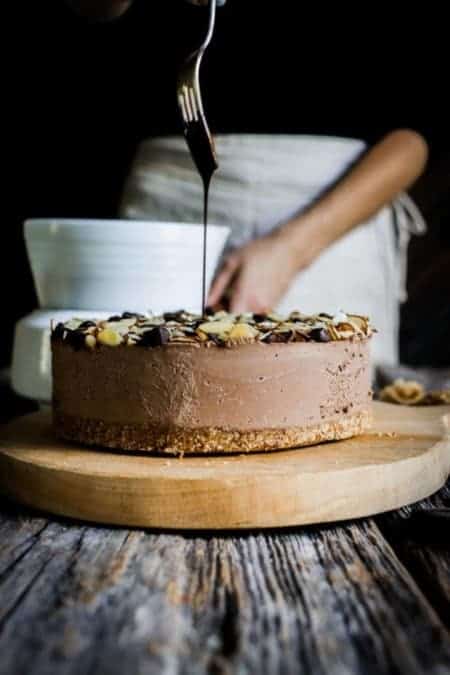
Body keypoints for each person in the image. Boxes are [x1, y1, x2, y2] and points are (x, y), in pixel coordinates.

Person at [10, 1, 433, 369]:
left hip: (332, 220)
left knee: (322, 409)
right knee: (143, 381)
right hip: (168, 209)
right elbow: (92, 11)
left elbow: (414, 139)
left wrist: (291, 249)